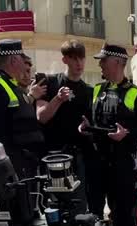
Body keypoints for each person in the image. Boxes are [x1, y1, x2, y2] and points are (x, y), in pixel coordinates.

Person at [80, 44, 137, 226]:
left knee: (122, 210)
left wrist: (127, 134)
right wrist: (85, 127)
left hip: (122, 162)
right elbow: (91, 121)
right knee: (94, 209)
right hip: (97, 161)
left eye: (104, 60)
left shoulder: (135, 94)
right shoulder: (95, 90)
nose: (100, 64)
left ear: (119, 63)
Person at [37, 40, 94, 214]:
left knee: (79, 208)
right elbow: (41, 116)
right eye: (74, 58)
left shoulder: (89, 91)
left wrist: (89, 127)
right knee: (55, 209)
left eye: (82, 58)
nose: (79, 63)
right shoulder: (50, 82)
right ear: (65, 60)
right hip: (54, 158)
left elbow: (92, 127)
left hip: (79, 158)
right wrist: (58, 99)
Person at [0, 39, 46, 180]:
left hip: (21, 160)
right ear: (14, 60)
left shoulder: (8, 82)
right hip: (10, 164)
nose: (24, 63)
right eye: (22, 58)